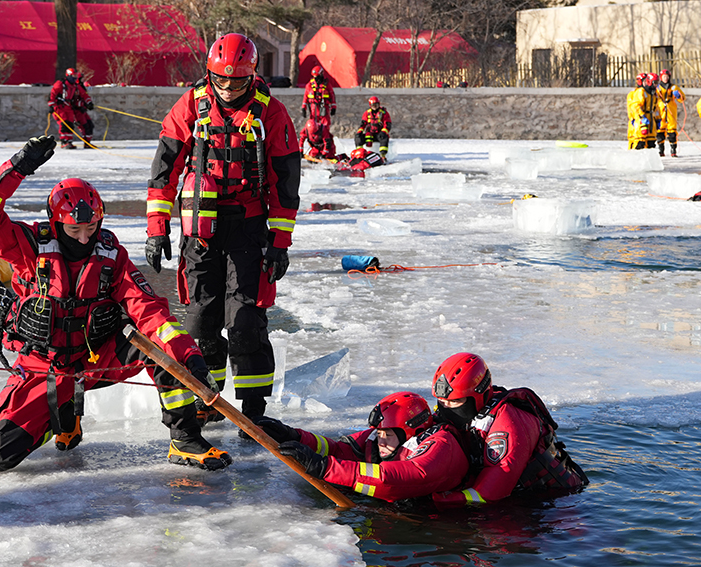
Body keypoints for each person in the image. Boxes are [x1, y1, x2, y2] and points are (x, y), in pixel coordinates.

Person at [0, 135, 232, 472]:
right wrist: (16, 168)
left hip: (95, 360)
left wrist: (188, 356)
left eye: (92, 227)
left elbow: (149, 311)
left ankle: (185, 439)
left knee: (160, 347)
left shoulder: (111, 255)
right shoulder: (28, 246)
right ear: (55, 222)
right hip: (42, 368)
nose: (84, 237)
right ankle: (62, 416)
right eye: (74, 229)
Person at [145, 33, 300, 432]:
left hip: (248, 228)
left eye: (238, 82)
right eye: (221, 81)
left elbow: (285, 186)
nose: (229, 89)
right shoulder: (190, 107)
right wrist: (156, 230)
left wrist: (279, 244)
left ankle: (254, 406)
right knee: (201, 318)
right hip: (200, 229)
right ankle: (206, 397)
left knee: (246, 318)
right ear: (209, 74)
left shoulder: (272, 115)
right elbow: (164, 172)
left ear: (252, 77)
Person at [430, 352, 588, 506]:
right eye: (442, 402)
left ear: (480, 395)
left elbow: (492, 491)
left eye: (455, 401)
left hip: (557, 502)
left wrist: (443, 499)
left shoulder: (509, 422)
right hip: (514, 497)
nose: (446, 408)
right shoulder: (461, 415)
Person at [256, 392, 469, 502]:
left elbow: (397, 479)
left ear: (410, 433)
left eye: (388, 434)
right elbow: (340, 450)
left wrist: (324, 467)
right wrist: (295, 435)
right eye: (379, 433)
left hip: (441, 523)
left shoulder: (442, 447)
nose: (381, 440)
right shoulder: (378, 438)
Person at [48, 68, 80, 149]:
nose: (75, 78)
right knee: (64, 124)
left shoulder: (74, 86)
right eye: (73, 76)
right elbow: (52, 94)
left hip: (69, 107)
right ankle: (64, 141)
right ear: (68, 75)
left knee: (70, 124)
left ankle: (69, 141)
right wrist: (51, 105)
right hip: (60, 107)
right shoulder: (60, 84)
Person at [655, 69, 684, 157]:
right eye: (664, 77)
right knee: (660, 131)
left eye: (667, 77)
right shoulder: (657, 88)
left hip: (671, 112)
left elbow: (682, 99)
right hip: (661, 111)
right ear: (661, 77)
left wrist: (679, 96)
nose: (666, 78)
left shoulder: (674, 87)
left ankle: (673, 149)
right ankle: (661, 149)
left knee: (672, 132)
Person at [627, 73, 658, 150]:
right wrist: (640, 117)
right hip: (641, 120)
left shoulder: (653, 94)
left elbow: (656, 107)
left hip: (651, 120)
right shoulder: (639, 92)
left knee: (651, 143)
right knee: (639, 142)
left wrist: (658, 119)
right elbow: (634, 106)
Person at [73, 72, 95, 149]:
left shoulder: (80, 86)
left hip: (83, 110)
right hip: (77, 111)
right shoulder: (73, 87)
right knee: (85, 127)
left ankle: (87, 142)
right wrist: (79, 105)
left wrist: (89, 103)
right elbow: (72, 100)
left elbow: (85, 95)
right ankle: (86, 143)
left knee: (90, 125)